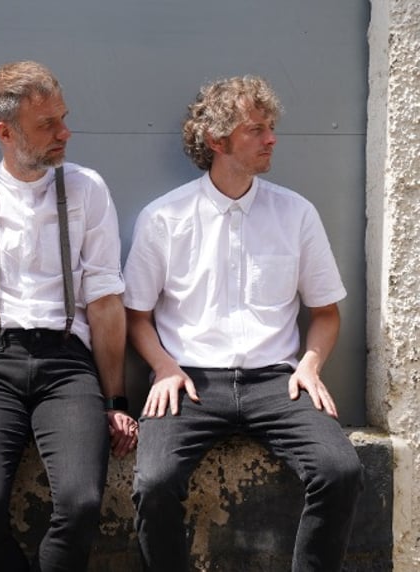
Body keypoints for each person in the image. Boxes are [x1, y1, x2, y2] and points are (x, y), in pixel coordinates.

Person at [123, 75, 363, 571]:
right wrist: (164, 367)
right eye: (256, 129)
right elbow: (136, 317)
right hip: (189, 381)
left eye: (271, 127)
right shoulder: (164, 218)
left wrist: (310, 365)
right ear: (217, 140)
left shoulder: (295, 213)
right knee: (154, 484)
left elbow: (325, 312)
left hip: (277, 382)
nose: (271, 139)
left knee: (340, 470)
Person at [0, 60, 137, 571]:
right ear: (5, 132)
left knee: (81, 504)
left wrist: (115, 400)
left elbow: (105, 301)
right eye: (48, 124)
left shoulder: (87, 188)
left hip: (67, 365)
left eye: (64, 118)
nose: (65, 132)